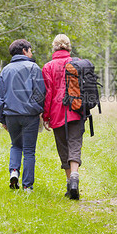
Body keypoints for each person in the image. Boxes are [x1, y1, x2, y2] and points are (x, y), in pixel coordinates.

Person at [0, 39, 45, 191]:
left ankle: (14, 172)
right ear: (24, 51)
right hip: (30, 115)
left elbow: (0, 96)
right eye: (30, 50)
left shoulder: (6, 70)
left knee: (16, 145)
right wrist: (37, 109)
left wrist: (2, 117)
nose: (31, 53)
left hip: (11, 115)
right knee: (29, 150)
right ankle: (27, 186)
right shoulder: (33, 67)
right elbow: (40, 92)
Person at [42, 34, 84, 200]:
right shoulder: (78, 62)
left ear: (54, 47)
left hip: (57, 113)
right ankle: (75, 176)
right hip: (76, 110)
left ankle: (69, 183)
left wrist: (45, 116)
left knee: (63, 147)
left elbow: (48, 93)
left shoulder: (48, 67)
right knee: (75, 144)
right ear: (68, 47)